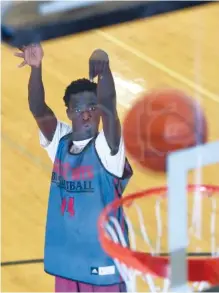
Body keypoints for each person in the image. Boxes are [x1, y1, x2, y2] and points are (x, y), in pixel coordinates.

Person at [15, 44, 133, 292]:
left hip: (104, 267)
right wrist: (36, 68)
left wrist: (104, 69)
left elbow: (110, 108)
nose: (87, 115)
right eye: (79, 109)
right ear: (68, 112)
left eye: (92, 107)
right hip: (69, 264)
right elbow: (38, 108)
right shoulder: (60, 141)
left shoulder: (107, 148)